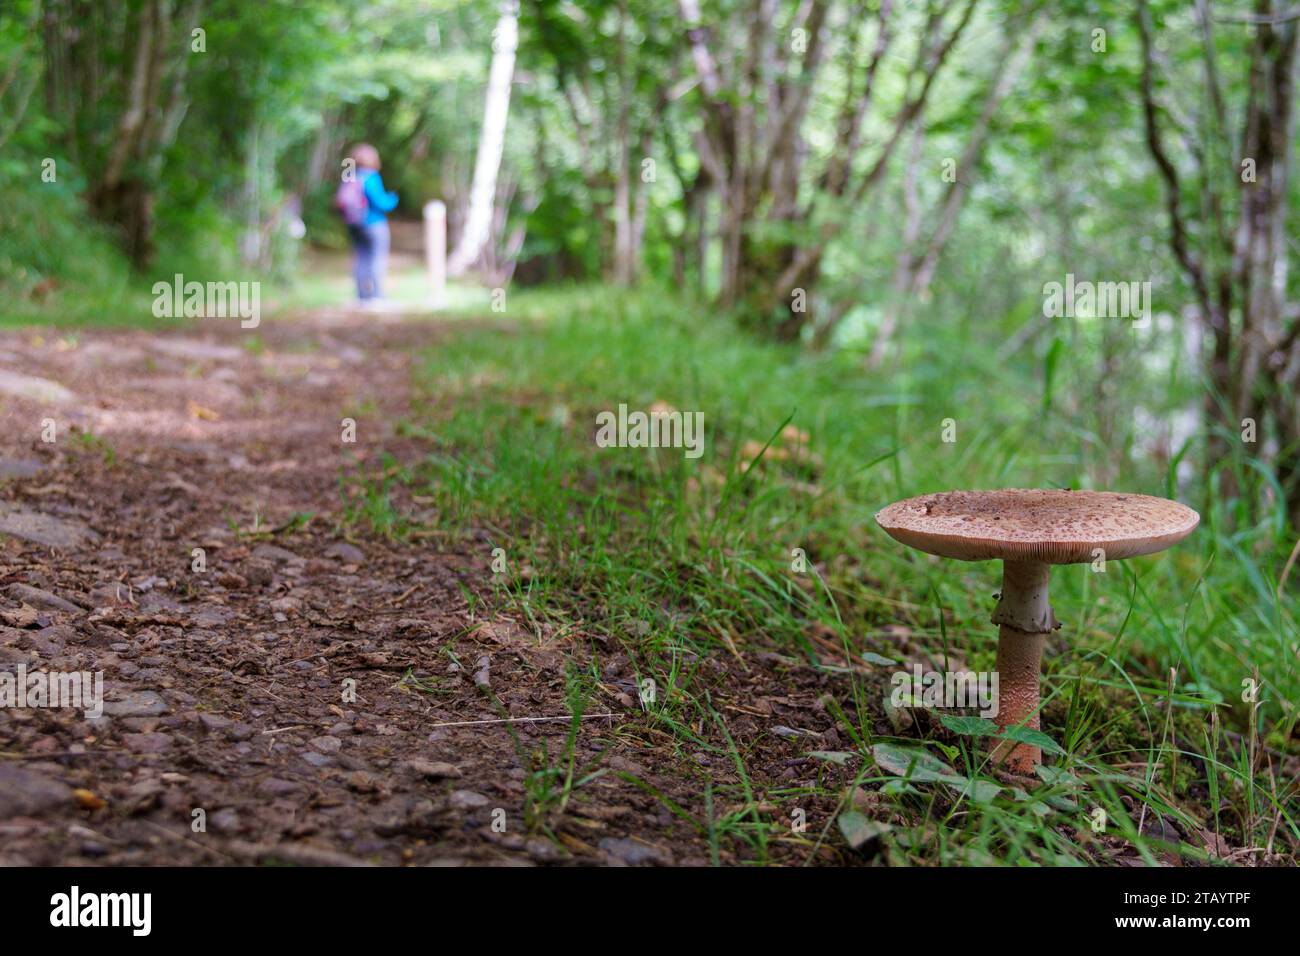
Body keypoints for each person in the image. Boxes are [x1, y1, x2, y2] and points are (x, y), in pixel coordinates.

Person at [340, 143, 399, 305]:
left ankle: (361, 296)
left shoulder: (350, 176)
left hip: (353, 224)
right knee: (377, 258)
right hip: (373, 223)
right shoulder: (371, 177)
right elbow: (381, 203)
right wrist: (393, 199)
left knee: (360, 258)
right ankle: (377, 295)